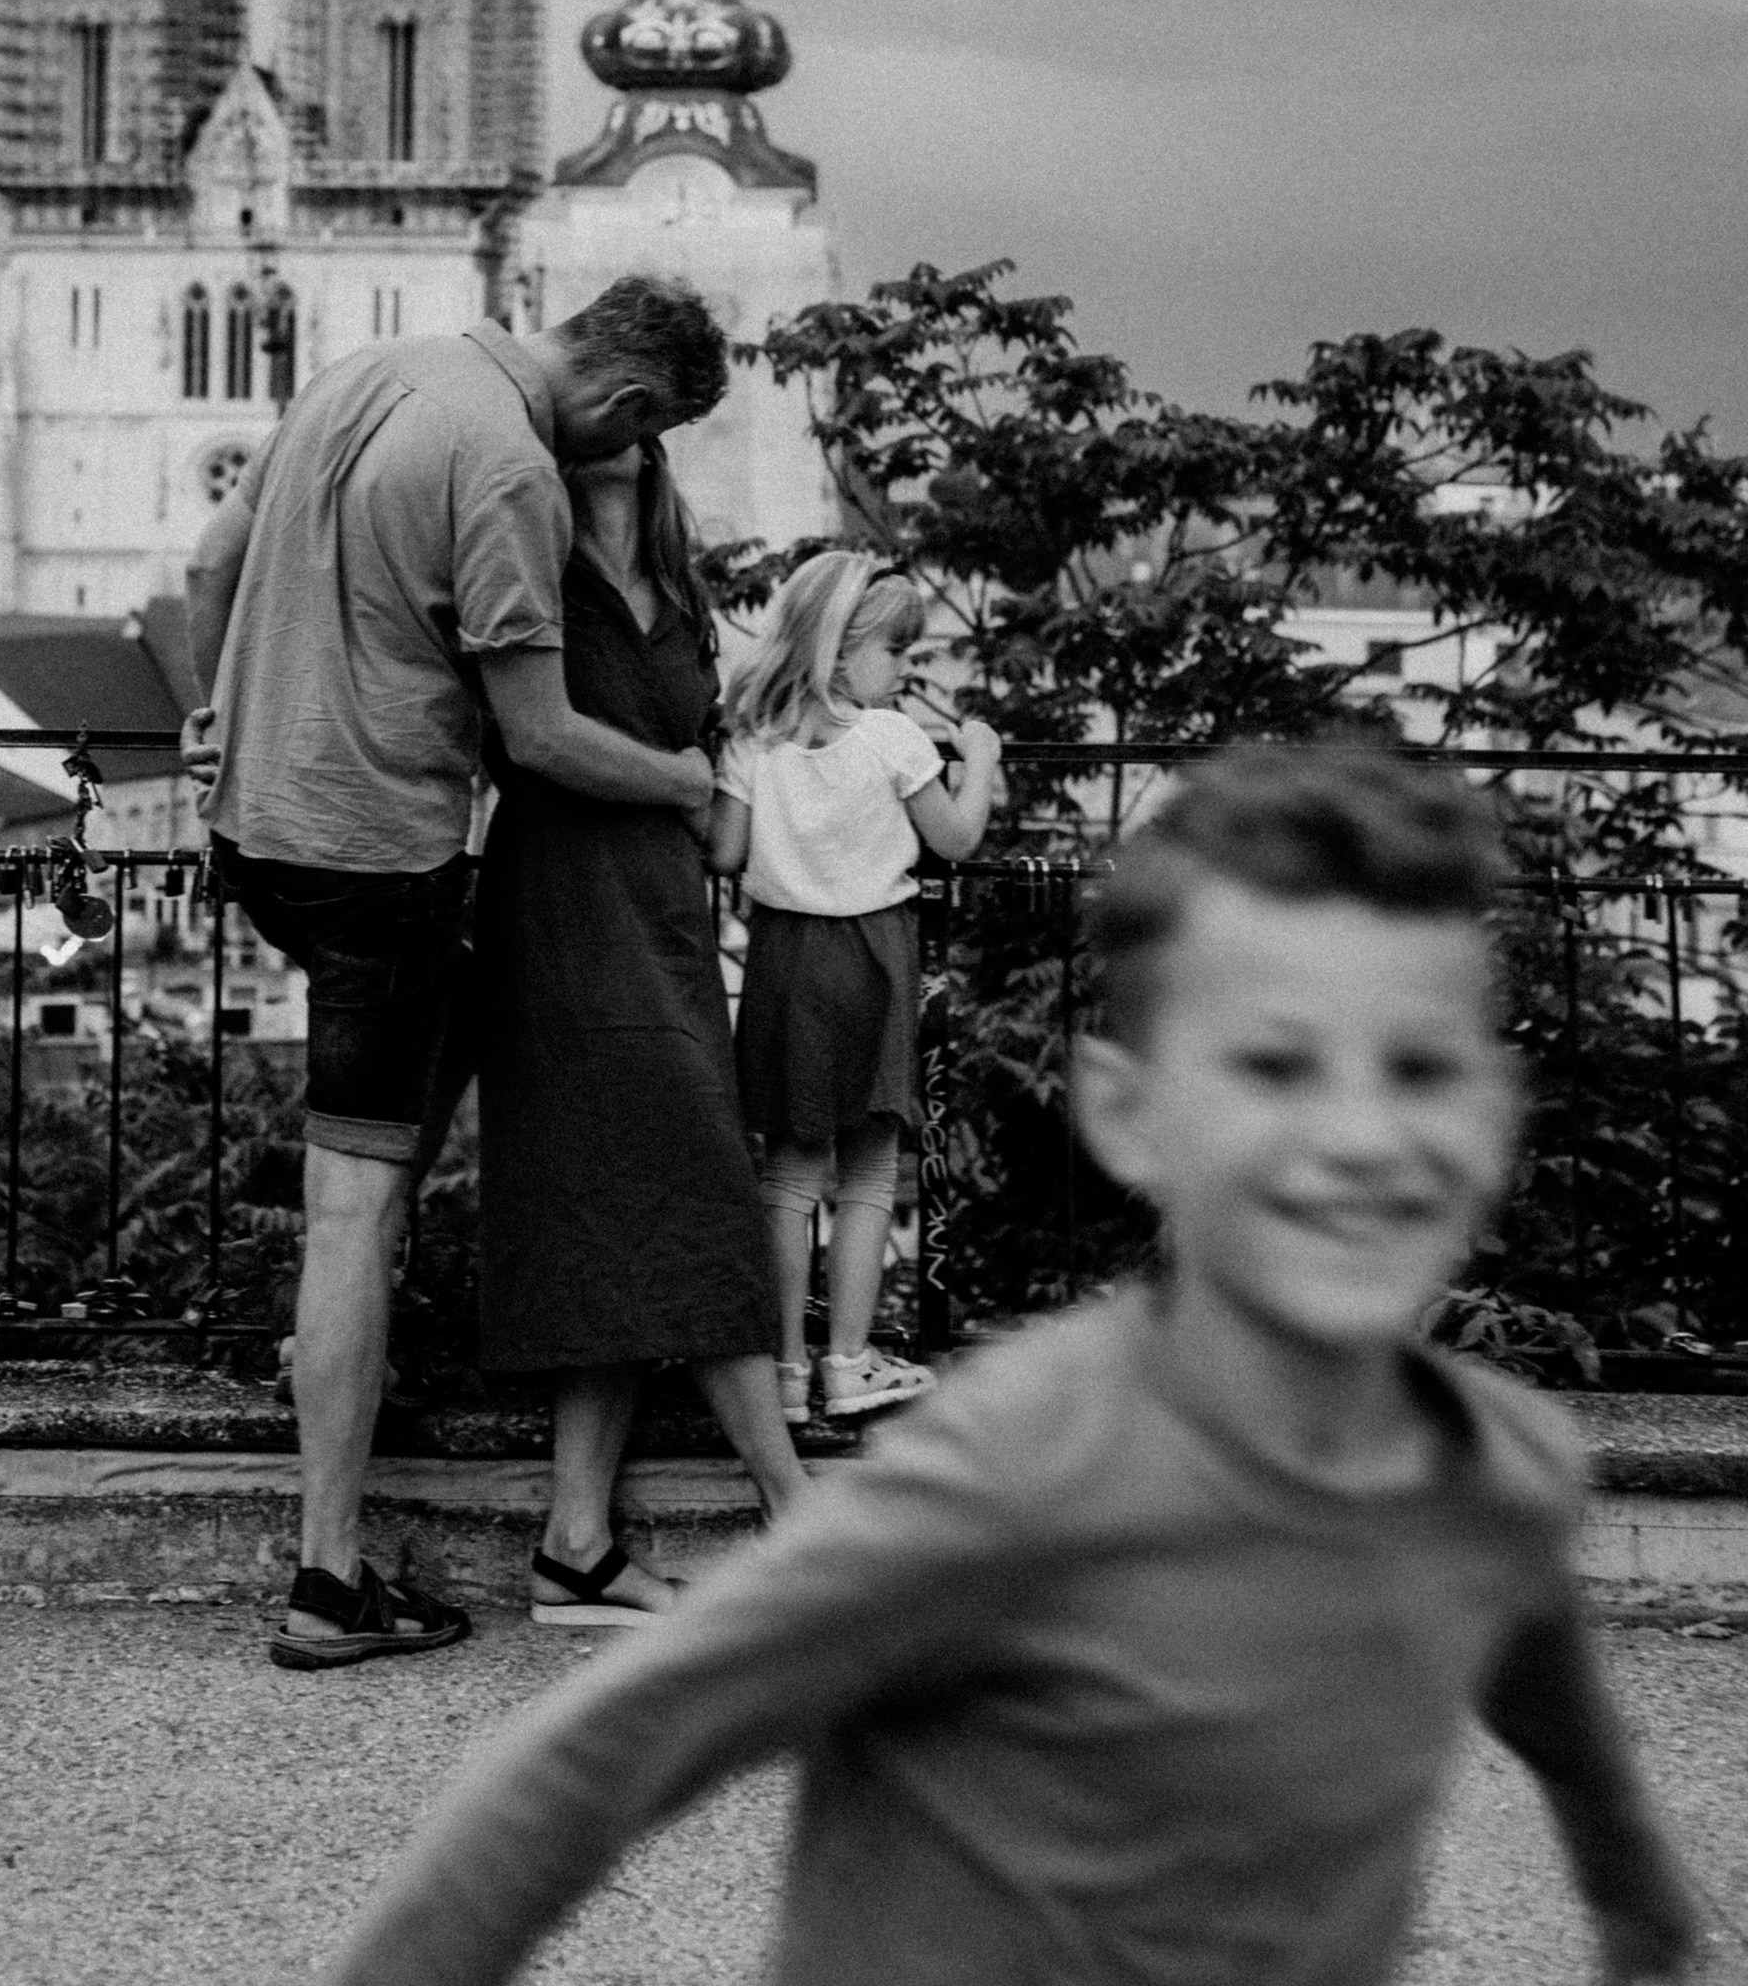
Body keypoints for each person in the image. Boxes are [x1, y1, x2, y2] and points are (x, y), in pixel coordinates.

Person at [318, 738, 1703, 1986]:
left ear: (1497, 1107)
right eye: (1275, 1068)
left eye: (1419, 1069)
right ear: (1133, 1113)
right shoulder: (1018, 1471)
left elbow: (1539, 1672)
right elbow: (598, 1761)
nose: (1357, 1136)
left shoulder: (1501, 1470)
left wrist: (1643, 1913)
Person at [183, 276, 730, 1670]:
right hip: (380, 859)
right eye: (648, 428)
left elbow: (207, 566)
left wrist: (212, 710)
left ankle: (563, 1513)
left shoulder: (368, 367)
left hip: (256, 826)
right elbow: (539, 737)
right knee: (355, 1210)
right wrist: (680, 779)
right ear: (629, 403)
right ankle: (329, 1579)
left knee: (444, 1096)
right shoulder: (506, 469)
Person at [475, 437, 807, 1624]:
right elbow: (534, 735)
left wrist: (716, 784)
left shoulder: (678, 589)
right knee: (698, 1189)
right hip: (564, 909)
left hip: (663, 909)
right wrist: (677, 783)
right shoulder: (530, 567)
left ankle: (576, 1545)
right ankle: (799, 1514)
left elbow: (709, 755)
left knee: (622, 1203)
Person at [710, 551, 1003, 1421]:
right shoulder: (893, 739)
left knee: (789, 1175)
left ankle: (786, 1374)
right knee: (871, 1170)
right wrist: (978, 757)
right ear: (840, 654)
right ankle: (849, 1361)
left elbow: (724, 852)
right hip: (873, 958)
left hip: (781, 962)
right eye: (897, 653)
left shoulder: (754, 740)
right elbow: (953, 839)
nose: (909, 669)